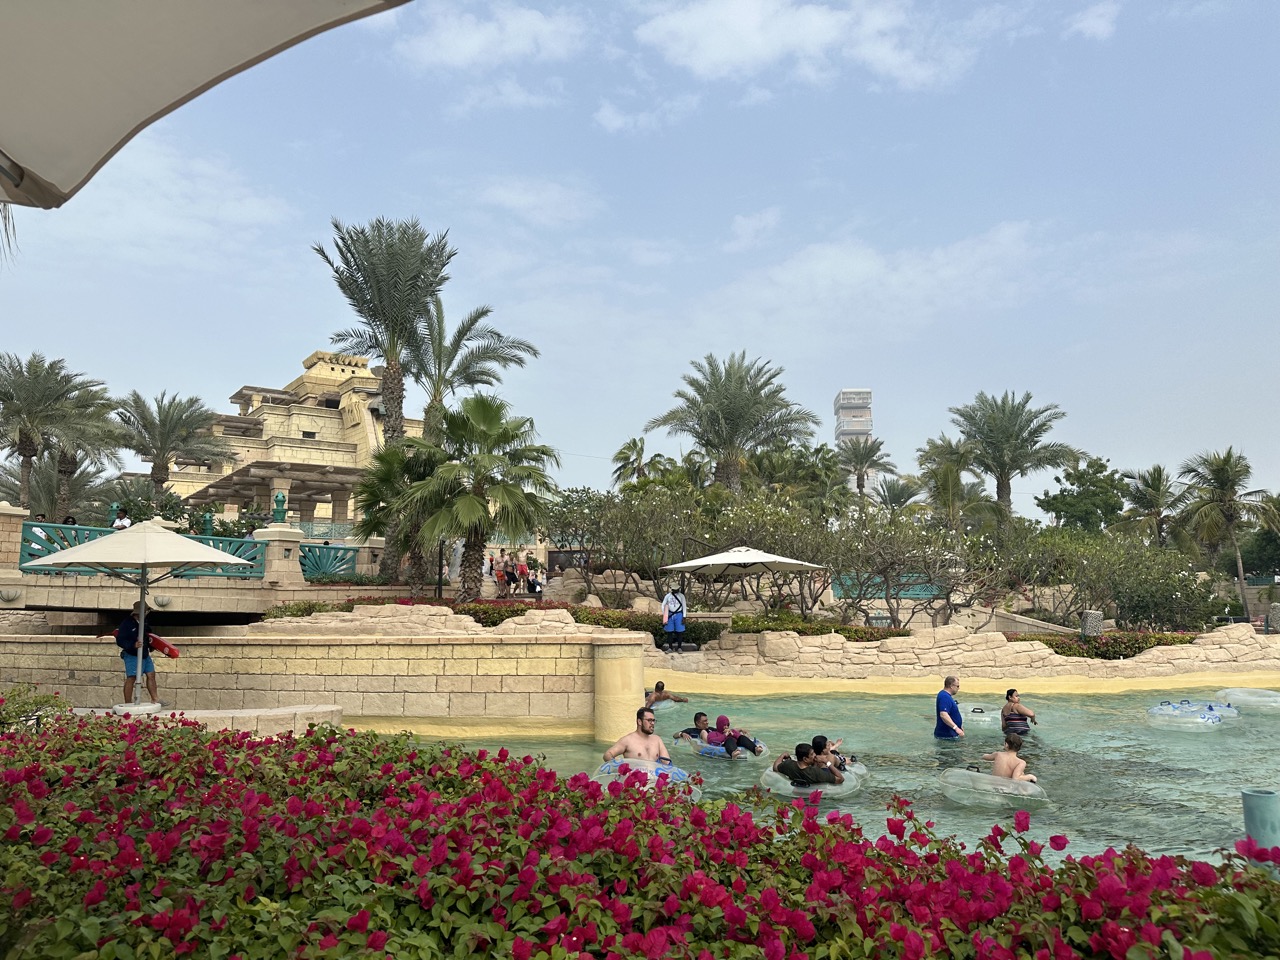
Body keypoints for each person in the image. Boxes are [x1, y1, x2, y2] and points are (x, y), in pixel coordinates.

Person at [116, 601, 158, 704]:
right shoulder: (127, 623)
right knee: (132, 677)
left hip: (144, 653)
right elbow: (120, 640)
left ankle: (155, 699)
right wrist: (132, 645)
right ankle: (128, 702)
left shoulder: (145, 622)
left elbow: (148, 635)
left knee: (151, 674)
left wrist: (152, 646)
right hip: (131, 654)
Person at [603, 707, 671, 762]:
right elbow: (608, 755)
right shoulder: (628, 740)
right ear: (639, 722)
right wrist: (619, 767)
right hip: (635, 778)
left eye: (653, 720)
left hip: (654, 777)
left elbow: (666, 763)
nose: (652, 723)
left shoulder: (657, 740)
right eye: (649, 720)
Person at [772, 743, 844, 785]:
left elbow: (775, 767)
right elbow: (840, 779)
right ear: (805, 759)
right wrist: (826, 762)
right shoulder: (815, 772)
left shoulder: (789, 765)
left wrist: (782, 755)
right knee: (832, 757)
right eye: (812, 754)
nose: (815, 755)